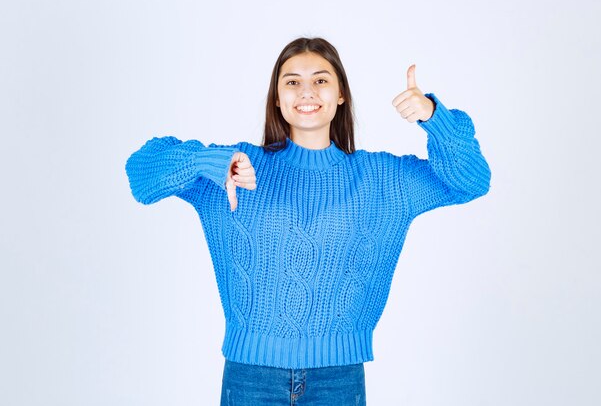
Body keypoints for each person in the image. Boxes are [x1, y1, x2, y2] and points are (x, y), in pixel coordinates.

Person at [125, 37, 491, 405]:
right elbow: (140, 173)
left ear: (341, 94)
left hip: (338, 380)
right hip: (251, 377)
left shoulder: (382, 178)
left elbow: (471, 182)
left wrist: (434, 118)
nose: (306, 92)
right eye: (292, 82)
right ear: (277, 97)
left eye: (320, 80)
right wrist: (212, 163)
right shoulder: (236, 169)